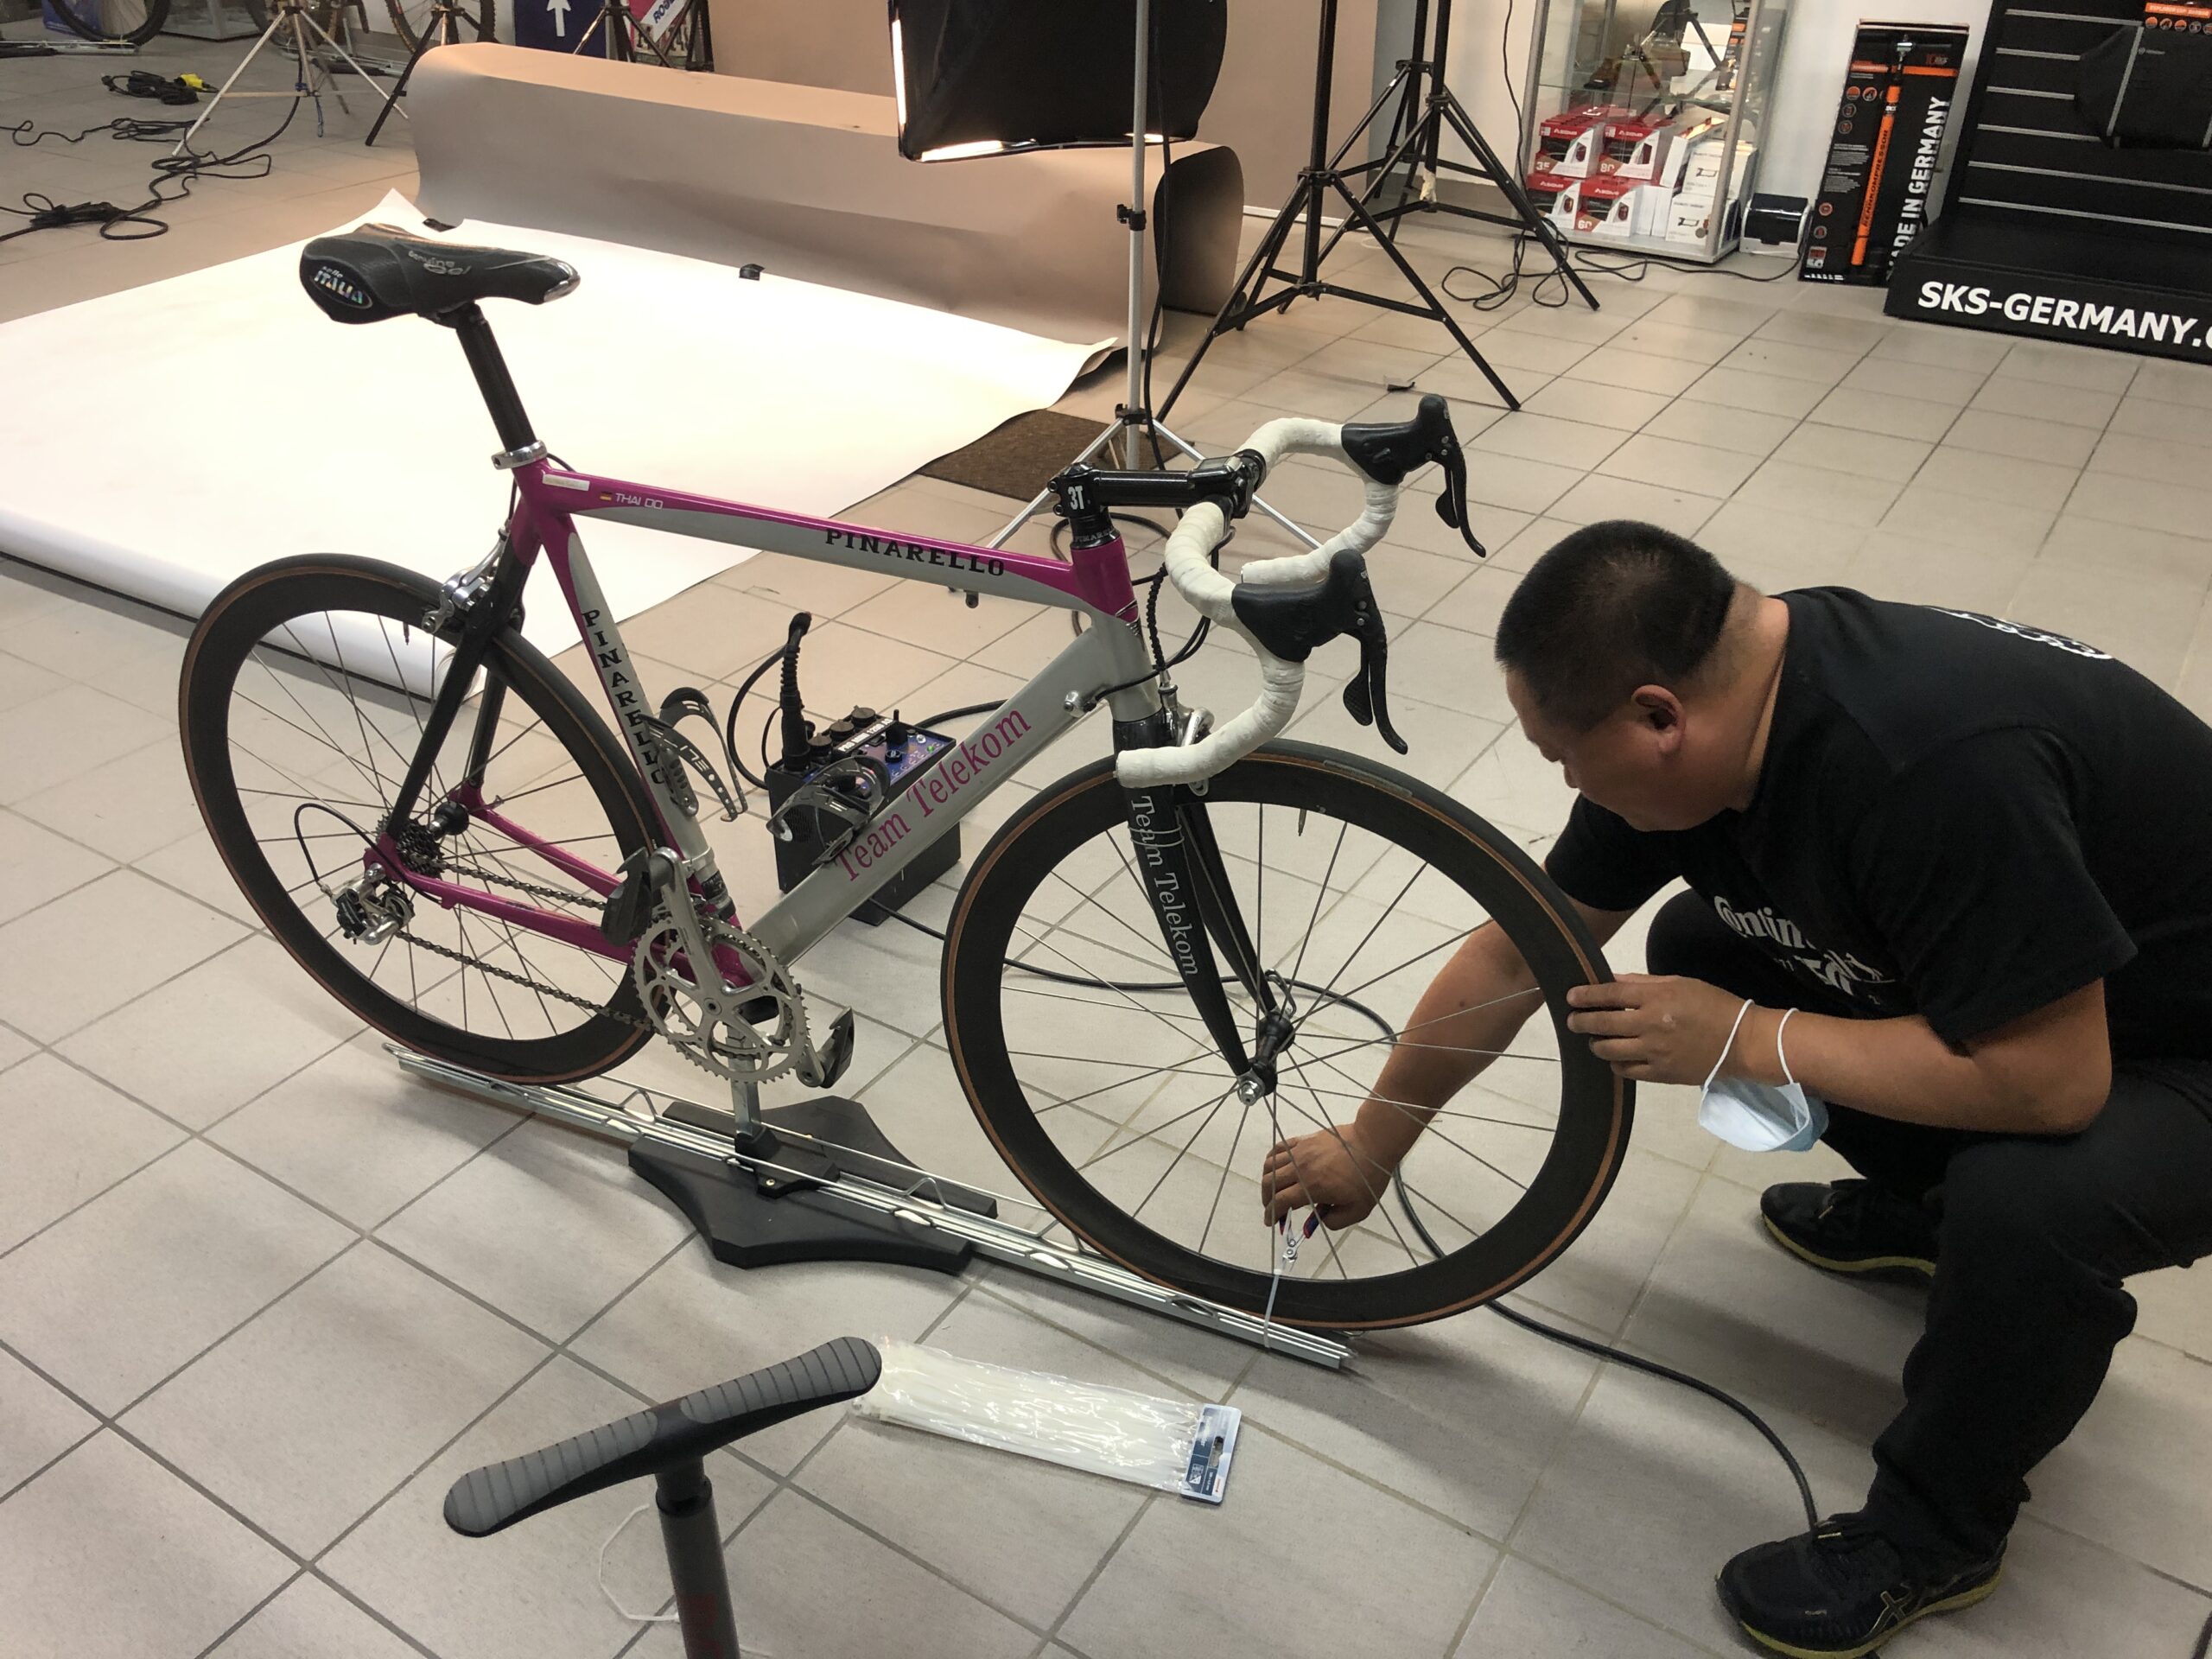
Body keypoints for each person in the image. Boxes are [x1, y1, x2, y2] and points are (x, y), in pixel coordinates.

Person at [1258, 520, 2212, 1658]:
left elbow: (2053, 1085)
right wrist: (1374, 1143)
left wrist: (1755, 1039)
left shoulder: (1928, 766)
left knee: (2028, 1196)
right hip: (2069, 990)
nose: (1565, 782)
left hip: (2178, 1049)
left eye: (1567, 756)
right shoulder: (1733, 693)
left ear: (1659, 717)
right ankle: (1928, 1211)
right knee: (1707, 939)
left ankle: (1936, 1532)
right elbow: (1523, 951)